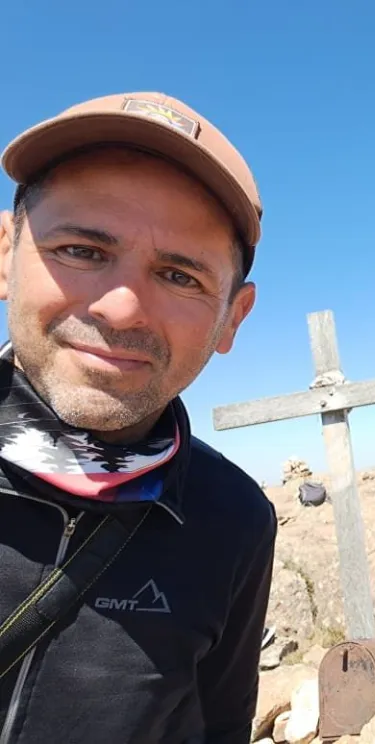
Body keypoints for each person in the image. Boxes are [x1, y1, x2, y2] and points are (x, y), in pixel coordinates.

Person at [0, 92, 276, 743]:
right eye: (82, 251)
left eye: (180, 276)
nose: (122, 310)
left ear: (232, 318)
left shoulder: (234, 519)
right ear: (5, 253)